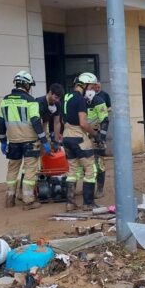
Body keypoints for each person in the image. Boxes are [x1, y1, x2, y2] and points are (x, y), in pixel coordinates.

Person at [0, 70, 51, 210]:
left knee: (12, 170)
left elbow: (1, 121)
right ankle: (28, 200)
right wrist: (44, 140)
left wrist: (3, 140)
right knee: (29, 170)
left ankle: (9, 199)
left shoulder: (5, 100)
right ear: (27, 85)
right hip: (30, 141)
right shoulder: (31, 101)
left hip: (13, 141)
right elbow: (35, 121)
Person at [62, 73, 99, 211]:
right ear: (85, 85)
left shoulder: (67, 97)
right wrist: (95, 134)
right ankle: (88, 203)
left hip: (67, 135)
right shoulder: (80, 100)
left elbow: (62, 119)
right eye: (91, 86)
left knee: (72, 170)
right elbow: (83, 123)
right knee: (90, 169)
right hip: (79, 136)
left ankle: (70, 203)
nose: (92, 89)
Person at [86, 79, 110, 198]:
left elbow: (105, 120)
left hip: (96, 135)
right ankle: (87, 187)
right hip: (83, 135)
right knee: (84, 163)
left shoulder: (99, 100)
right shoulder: (80, 100)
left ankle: (100, 189)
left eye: (92, 87)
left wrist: (101, 137)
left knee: (99, 162)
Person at [37, 83, 65, 150]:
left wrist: (56, 141)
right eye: (56, 97)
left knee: (49, 149)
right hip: (36, 126)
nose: (57, 100)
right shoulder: (39, 103)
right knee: (39, 149)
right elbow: (38, 123)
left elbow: (57, 122)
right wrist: (43, 140)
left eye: (59, 98)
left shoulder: (57, 104)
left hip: (45, 124)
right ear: (50, 93)